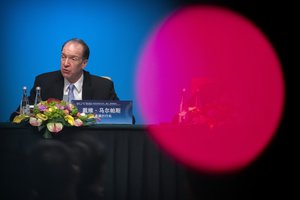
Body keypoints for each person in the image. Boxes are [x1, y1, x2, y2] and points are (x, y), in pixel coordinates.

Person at [10, 38, 120, 121]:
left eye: (73, 58)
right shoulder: (44, 82)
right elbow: (17, 115)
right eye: (63, 56)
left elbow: (125, 118)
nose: (65, 63)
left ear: (84, 63)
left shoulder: (103, 87)